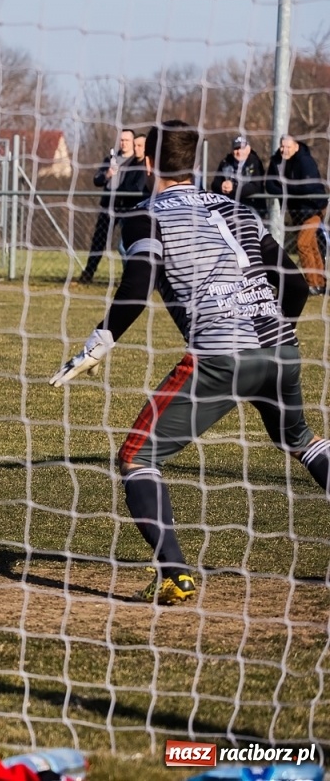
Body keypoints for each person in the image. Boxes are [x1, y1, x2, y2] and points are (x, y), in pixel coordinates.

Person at [50, 120, 325, 605]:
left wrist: (98, 344)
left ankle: (176, 573)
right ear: (194, 164)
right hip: (281, 348)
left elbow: (136, 287)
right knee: (301, 441)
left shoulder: (143, 216)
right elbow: (297, 284)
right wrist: (276, 331)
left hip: (220, 354)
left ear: (149, 163)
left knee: (137, 458)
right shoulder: (237, 209)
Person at [266, 135, 328, 293]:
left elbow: (309, 187)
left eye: (288, 146)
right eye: (282, 146)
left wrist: (286, 188)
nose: (284, 149)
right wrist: (288, 190)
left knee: (303, 243)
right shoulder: (277, 161)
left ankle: (312, 283)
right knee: (312, 245)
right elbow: (270, 185)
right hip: (296, 211)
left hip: (314, 208)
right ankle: (320, 283)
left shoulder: (305, 161)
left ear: (296, 147)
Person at [76, 130, 137, 284]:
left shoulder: (138, 161)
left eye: (127, 140)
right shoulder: (110, 159)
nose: (123, 143)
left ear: (133, 142)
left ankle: (130, 276)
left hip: (127, 207)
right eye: (121, 140)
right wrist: (108, 174)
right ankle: (88, 273)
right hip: (108, 205)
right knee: (99, 240)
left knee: (126, 243)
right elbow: (97, 180)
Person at [211, 135, 266, 220]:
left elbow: (256, 186)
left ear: (248, 148)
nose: (239, 152)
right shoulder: (225, 162)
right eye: (236, 149)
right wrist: (222, 186)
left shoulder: (255, 163)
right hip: (229, 207)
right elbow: (215, 184)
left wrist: (233, 188)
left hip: (252, 207)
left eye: (242, 148)